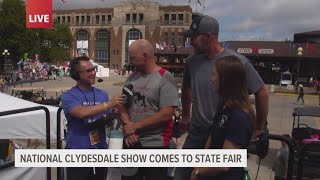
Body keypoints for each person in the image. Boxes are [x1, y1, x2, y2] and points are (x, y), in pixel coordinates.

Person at [175, 15, 269, 180]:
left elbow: (262, 92)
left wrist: (259, 127)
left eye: (194, 37)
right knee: (181, 175)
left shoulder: (236, 62)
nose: (191, 42)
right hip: (197, 133)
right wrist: (185, 114)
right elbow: (186, 88)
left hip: (225, 135)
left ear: (209, 37)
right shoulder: (192, 61)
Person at [118, 39, 179, 180]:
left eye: (133, 58)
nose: (130, 61)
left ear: (145, 56)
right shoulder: (131, 78)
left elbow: (166, 114)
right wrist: (128, 126)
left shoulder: (165, 78)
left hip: (155, 144)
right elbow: (122, 105)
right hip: (131, 142)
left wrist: (135, 126)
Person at [190, 55, 255, 180]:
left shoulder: (239, 116)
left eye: (214, 75)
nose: (211, 79)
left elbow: (224, 164)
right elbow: (212, 136)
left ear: (225, 80)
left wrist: (198, 172)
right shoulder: (224, 105)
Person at [61, 56, 125, 180]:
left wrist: (112, 114)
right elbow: (80, 113)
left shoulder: (102, 94)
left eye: (93, 69)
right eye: (88, 71)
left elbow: (107, 119)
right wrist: (107, 105)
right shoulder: (69, 96)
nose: (93, 73)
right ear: (76, 74)